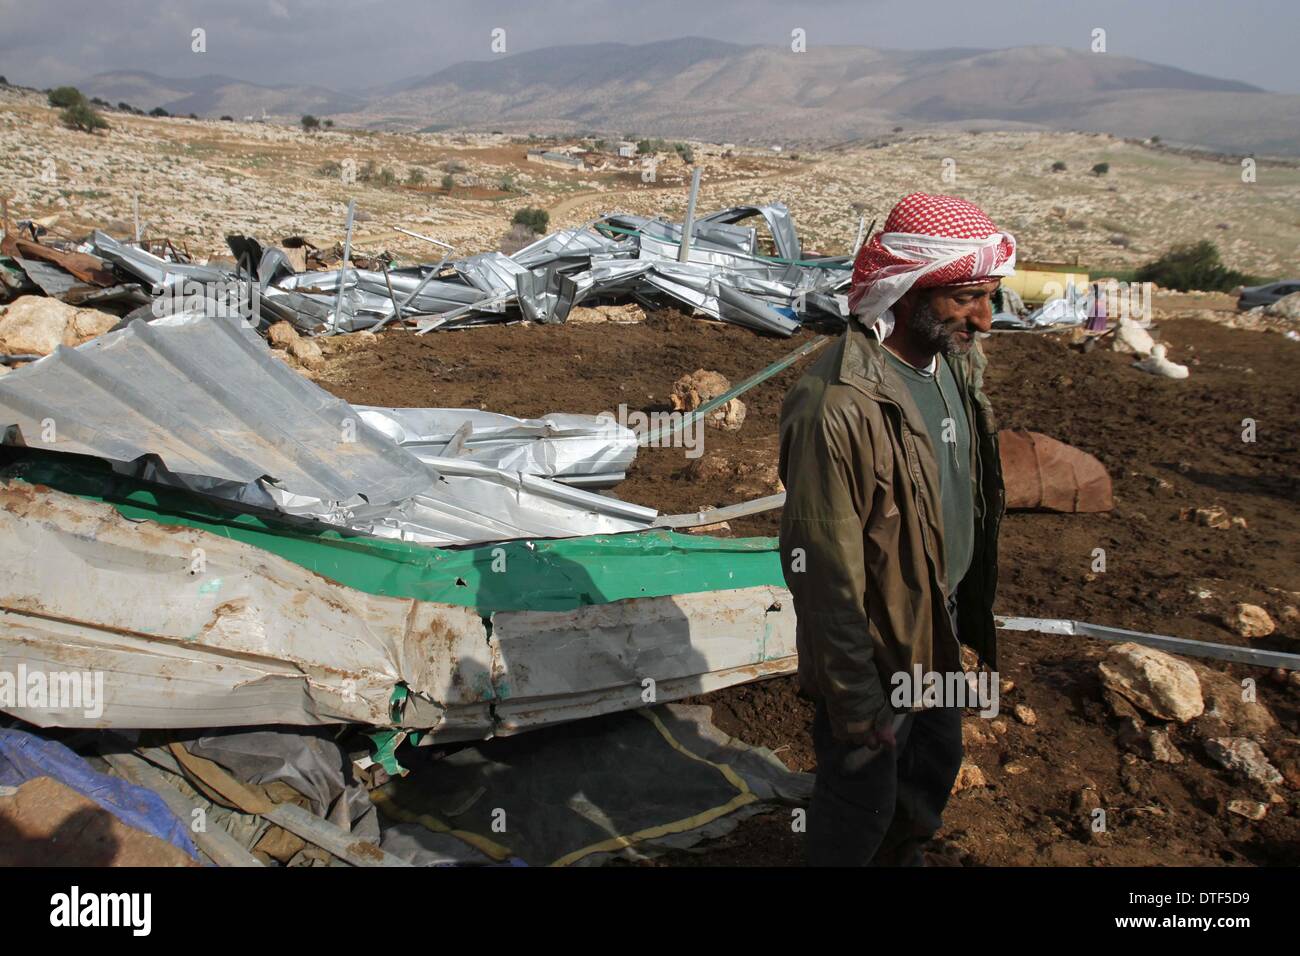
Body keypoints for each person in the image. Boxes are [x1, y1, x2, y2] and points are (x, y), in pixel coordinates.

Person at [778, 193, 1012, 866]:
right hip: (876, 646)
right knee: (859, 805)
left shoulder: (958, 366)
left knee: (930, 770)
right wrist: (853, 699)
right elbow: (821, 568)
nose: (985, 319)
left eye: (990, 297)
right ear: (908, 291)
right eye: (967, 298)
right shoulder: (836, 404)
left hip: (935, 630)